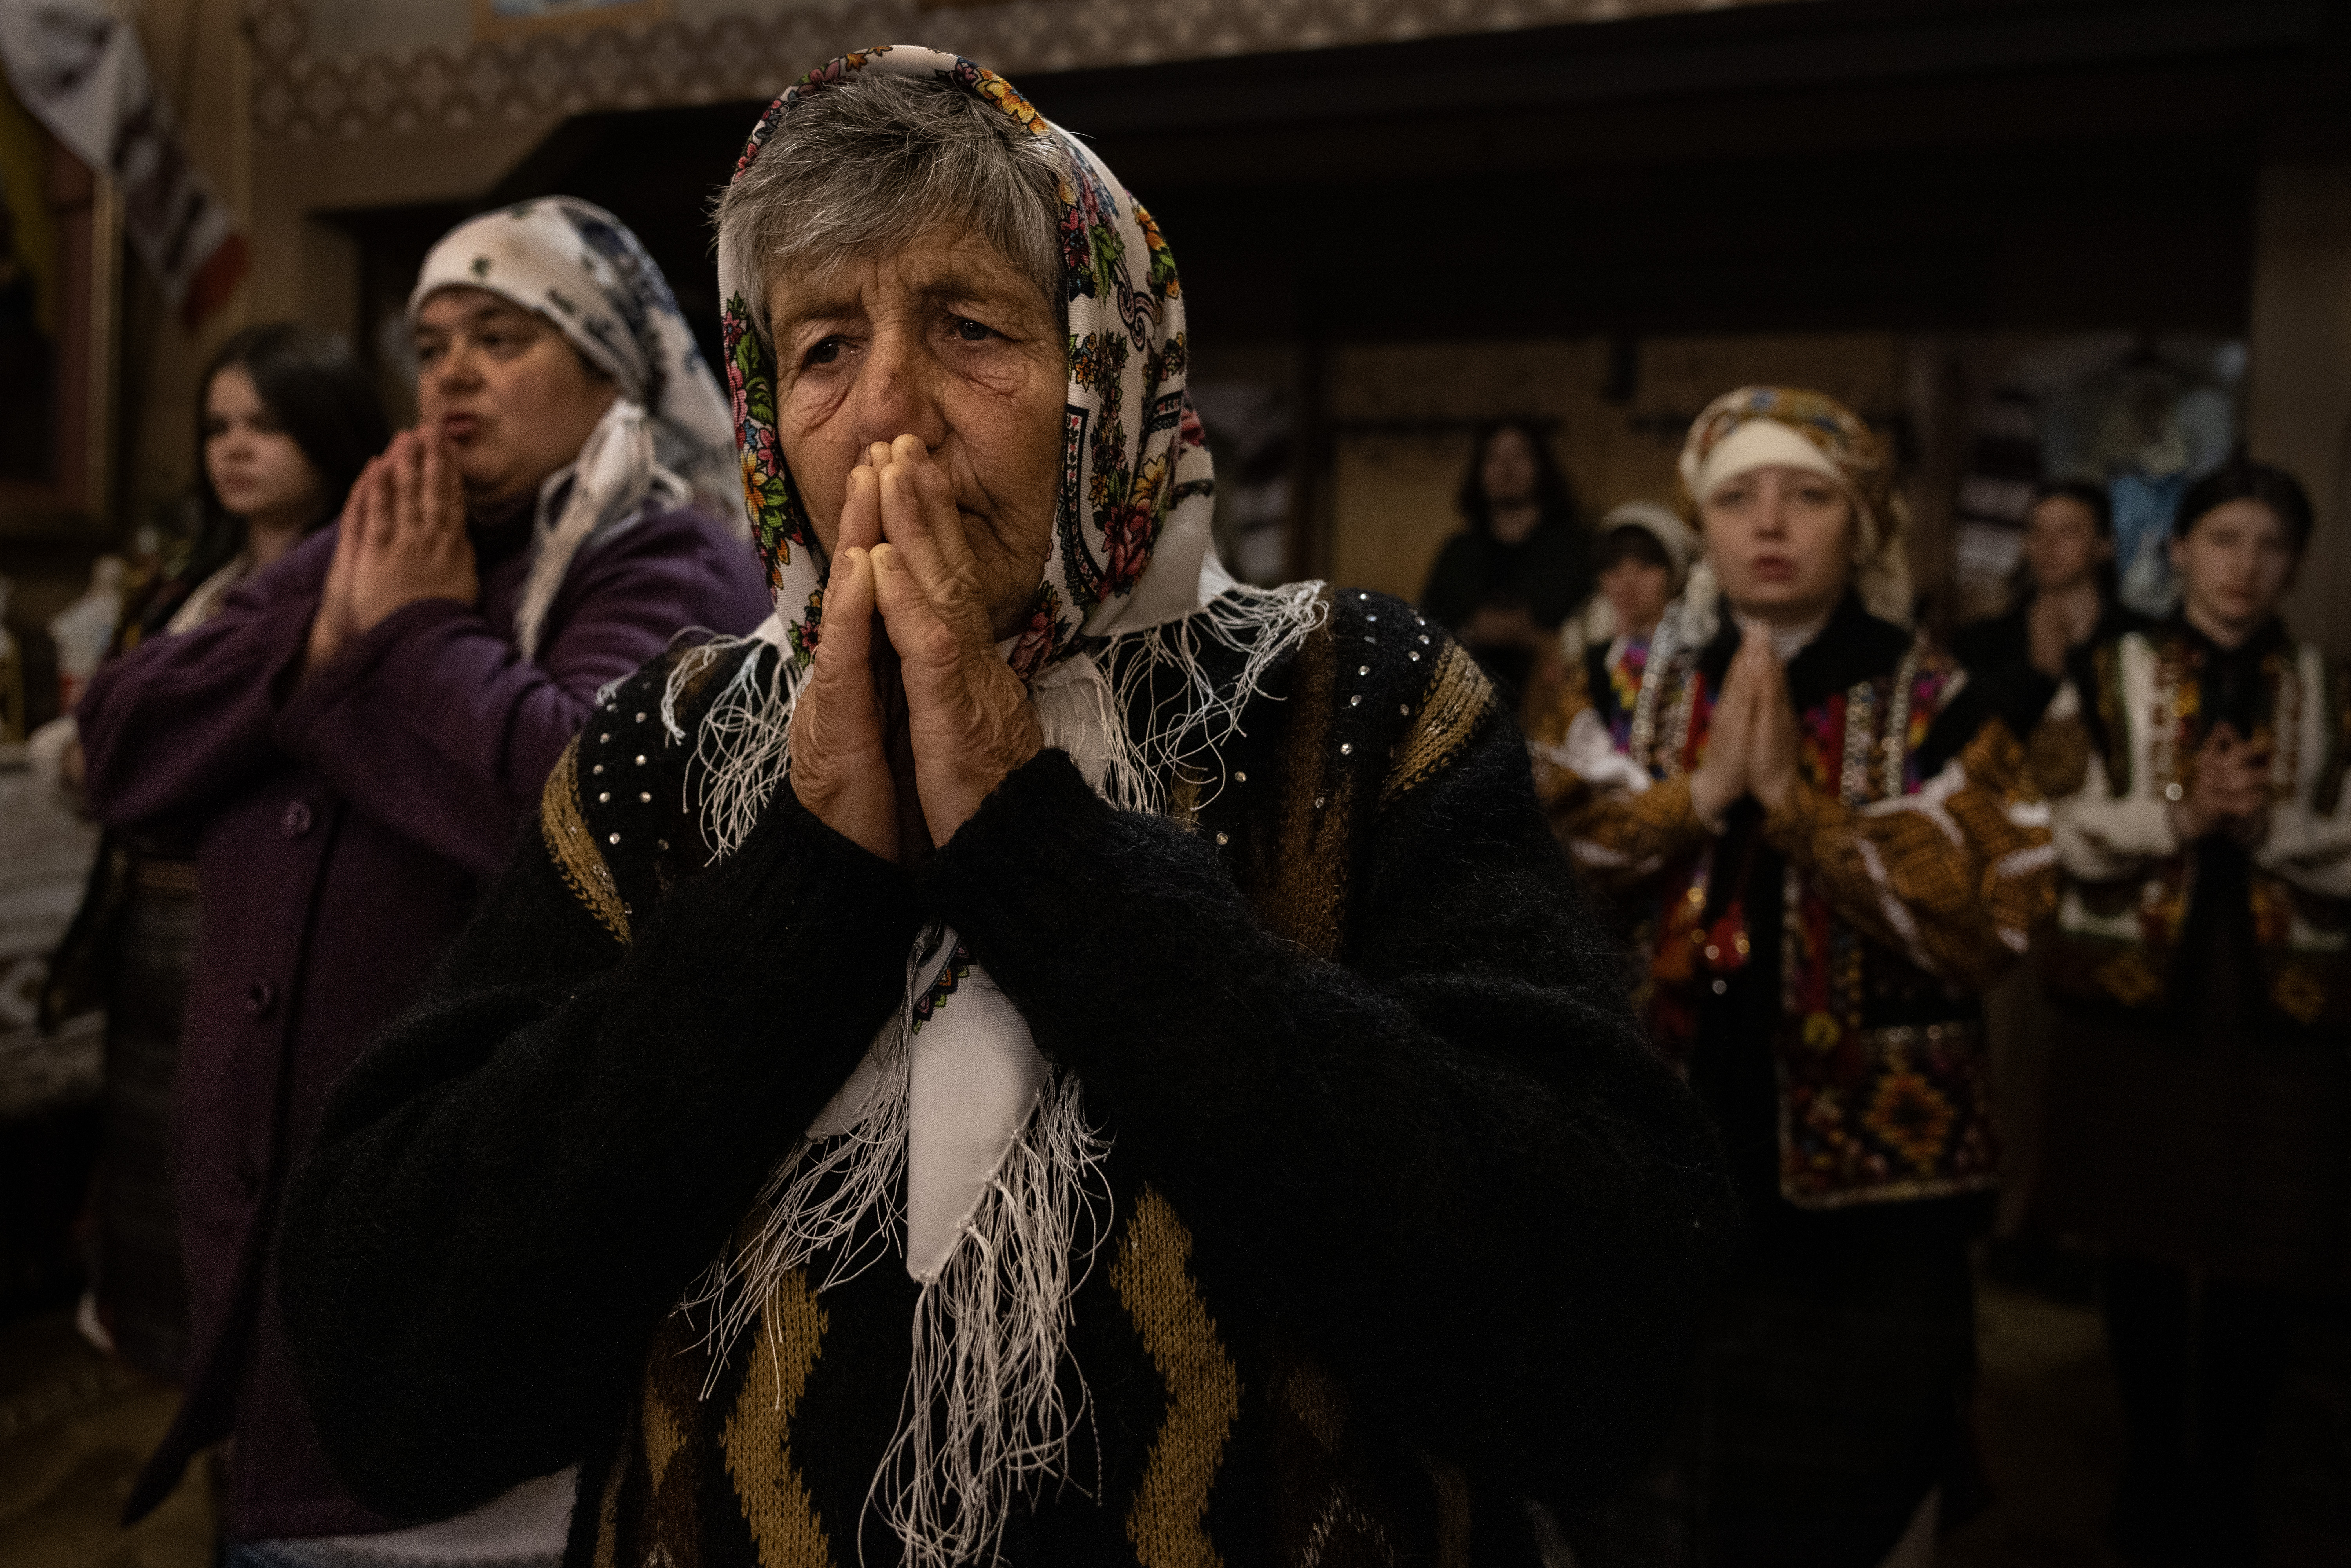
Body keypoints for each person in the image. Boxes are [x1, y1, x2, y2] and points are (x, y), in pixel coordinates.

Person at [276, 49, 1734, 1568]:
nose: (886, 417)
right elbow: (394, 1373)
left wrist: (1042, 847)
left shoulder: (1343, 696)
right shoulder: (675, 736)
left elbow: (1597, 1332)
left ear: (1115, 366)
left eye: (971, 328)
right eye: (823, 346)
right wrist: (810, 875)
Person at [76, 199, 772, 1563]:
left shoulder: (666, 554)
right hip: (292, 1308)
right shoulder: (389, 528)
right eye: (432, 341)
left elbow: (593, 810)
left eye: (500, 338)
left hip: (484, 1301)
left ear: (608, 366)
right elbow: (125, 738)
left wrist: (398, 638)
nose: (448, 369)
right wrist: (315, 647)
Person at [1532, 386, 2058, 1567]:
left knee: (1851, 1481)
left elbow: (2000, 908)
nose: (1769, 521)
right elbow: (1535, 864)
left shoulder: (1939, 698)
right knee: (1640, 1468)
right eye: (1736, 497)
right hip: (1647, 1154)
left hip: (1876, 1196)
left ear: (1861, 523)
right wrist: (1701, 798)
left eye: (1807, 495)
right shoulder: (1618, 679)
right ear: (1701, 524)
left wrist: (1798, 814)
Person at [40, 323, 388, 1380]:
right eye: (220, 427)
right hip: (149, 925)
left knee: (260, 1188)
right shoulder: (177, 587)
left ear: (331, 434)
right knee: (161, 1184)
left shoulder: (366, 578)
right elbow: (95, 740)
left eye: (268, 425)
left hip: (268, 921)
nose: (235, 449)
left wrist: (173, 743)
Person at [2035, 460, 2348, 1566]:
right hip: (2138, 997)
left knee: (2266, 1251)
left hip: (2287, 1003)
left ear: (2296, 563)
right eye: (2224, 539)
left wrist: (2269, 829)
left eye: (2269, 545)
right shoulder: (2107, 670)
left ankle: (2229, 1483)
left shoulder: (2334, 686)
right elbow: (2053, 816)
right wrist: (2176, 817)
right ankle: (2156, 1466)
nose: (2245, 565)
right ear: (2179, 552)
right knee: (2145, 1245)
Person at [1951, 478, 2146, 747]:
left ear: (2105, 544)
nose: (2049, 544)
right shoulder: (1981, 642)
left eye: (2068, 531)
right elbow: (1962, 747)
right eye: (2037, 531)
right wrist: (2036, 675)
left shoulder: (2140, 639)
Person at [1418, 420, 1589, 697]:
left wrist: (1533, 636)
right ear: (1480, 471)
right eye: (1495, 458)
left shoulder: (1574, 550)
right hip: (1466, 702)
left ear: (1541, 468)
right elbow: (1425, 632)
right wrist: (1472, 632)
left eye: (1520, 457)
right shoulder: (1459, 553)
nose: (1507, 469)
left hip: (1554, 705)